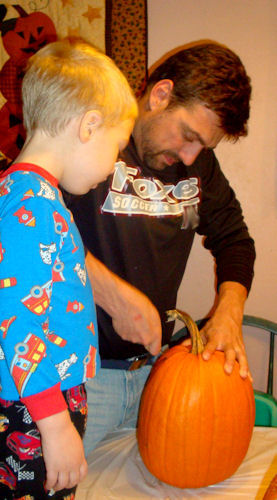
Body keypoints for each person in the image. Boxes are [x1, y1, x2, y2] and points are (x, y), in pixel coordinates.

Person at [0, 39, 137, 499]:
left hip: (24, 403)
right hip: (37, 418)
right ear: (89, 126)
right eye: (116, 146)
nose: (114, 164)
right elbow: (21, 322)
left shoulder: (8, 194)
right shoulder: (34, 208)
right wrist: (55, 423)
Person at [66, 41, 256, 456]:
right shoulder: (90, 136)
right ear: (160, 94)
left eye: (203, 147)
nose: (190, 156)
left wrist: (229, 311)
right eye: (188, 136)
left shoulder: (196, 164)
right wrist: (114, 297)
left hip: (155, 374)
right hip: (76, 378)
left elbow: (235, 240)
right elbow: (30, 224)